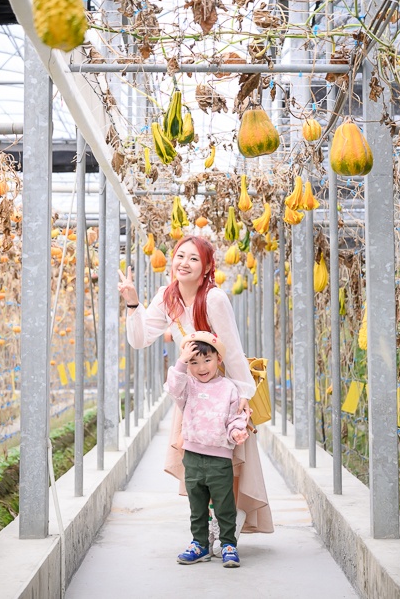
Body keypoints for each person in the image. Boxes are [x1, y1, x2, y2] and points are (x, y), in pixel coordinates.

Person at [119, 235, 274, 549]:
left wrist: (243, 395)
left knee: (228, 461)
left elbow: (232, 348)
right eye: (180, 256)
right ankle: (208, 529)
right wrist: (133, 303)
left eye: (193, 258)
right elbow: (140, 339)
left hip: (222, 390)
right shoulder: (167, 296)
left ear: (206, 268)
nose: (184, 263)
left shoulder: (214, 298)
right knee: (197, 464)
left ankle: (225, 527)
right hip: (192, 393)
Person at [165, 333, 248, 567]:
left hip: (219, 457)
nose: (201, 368)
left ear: (219, 359)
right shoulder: (187, 386)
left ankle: (228, 544)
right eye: (194, 362)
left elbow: (235, 417)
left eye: (207, 360)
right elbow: (173, 387)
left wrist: (236, 432)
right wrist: (181, 361)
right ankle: (200, 544)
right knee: (197, 505)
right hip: (192, 455)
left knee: (224, 504)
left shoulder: (228, 388)